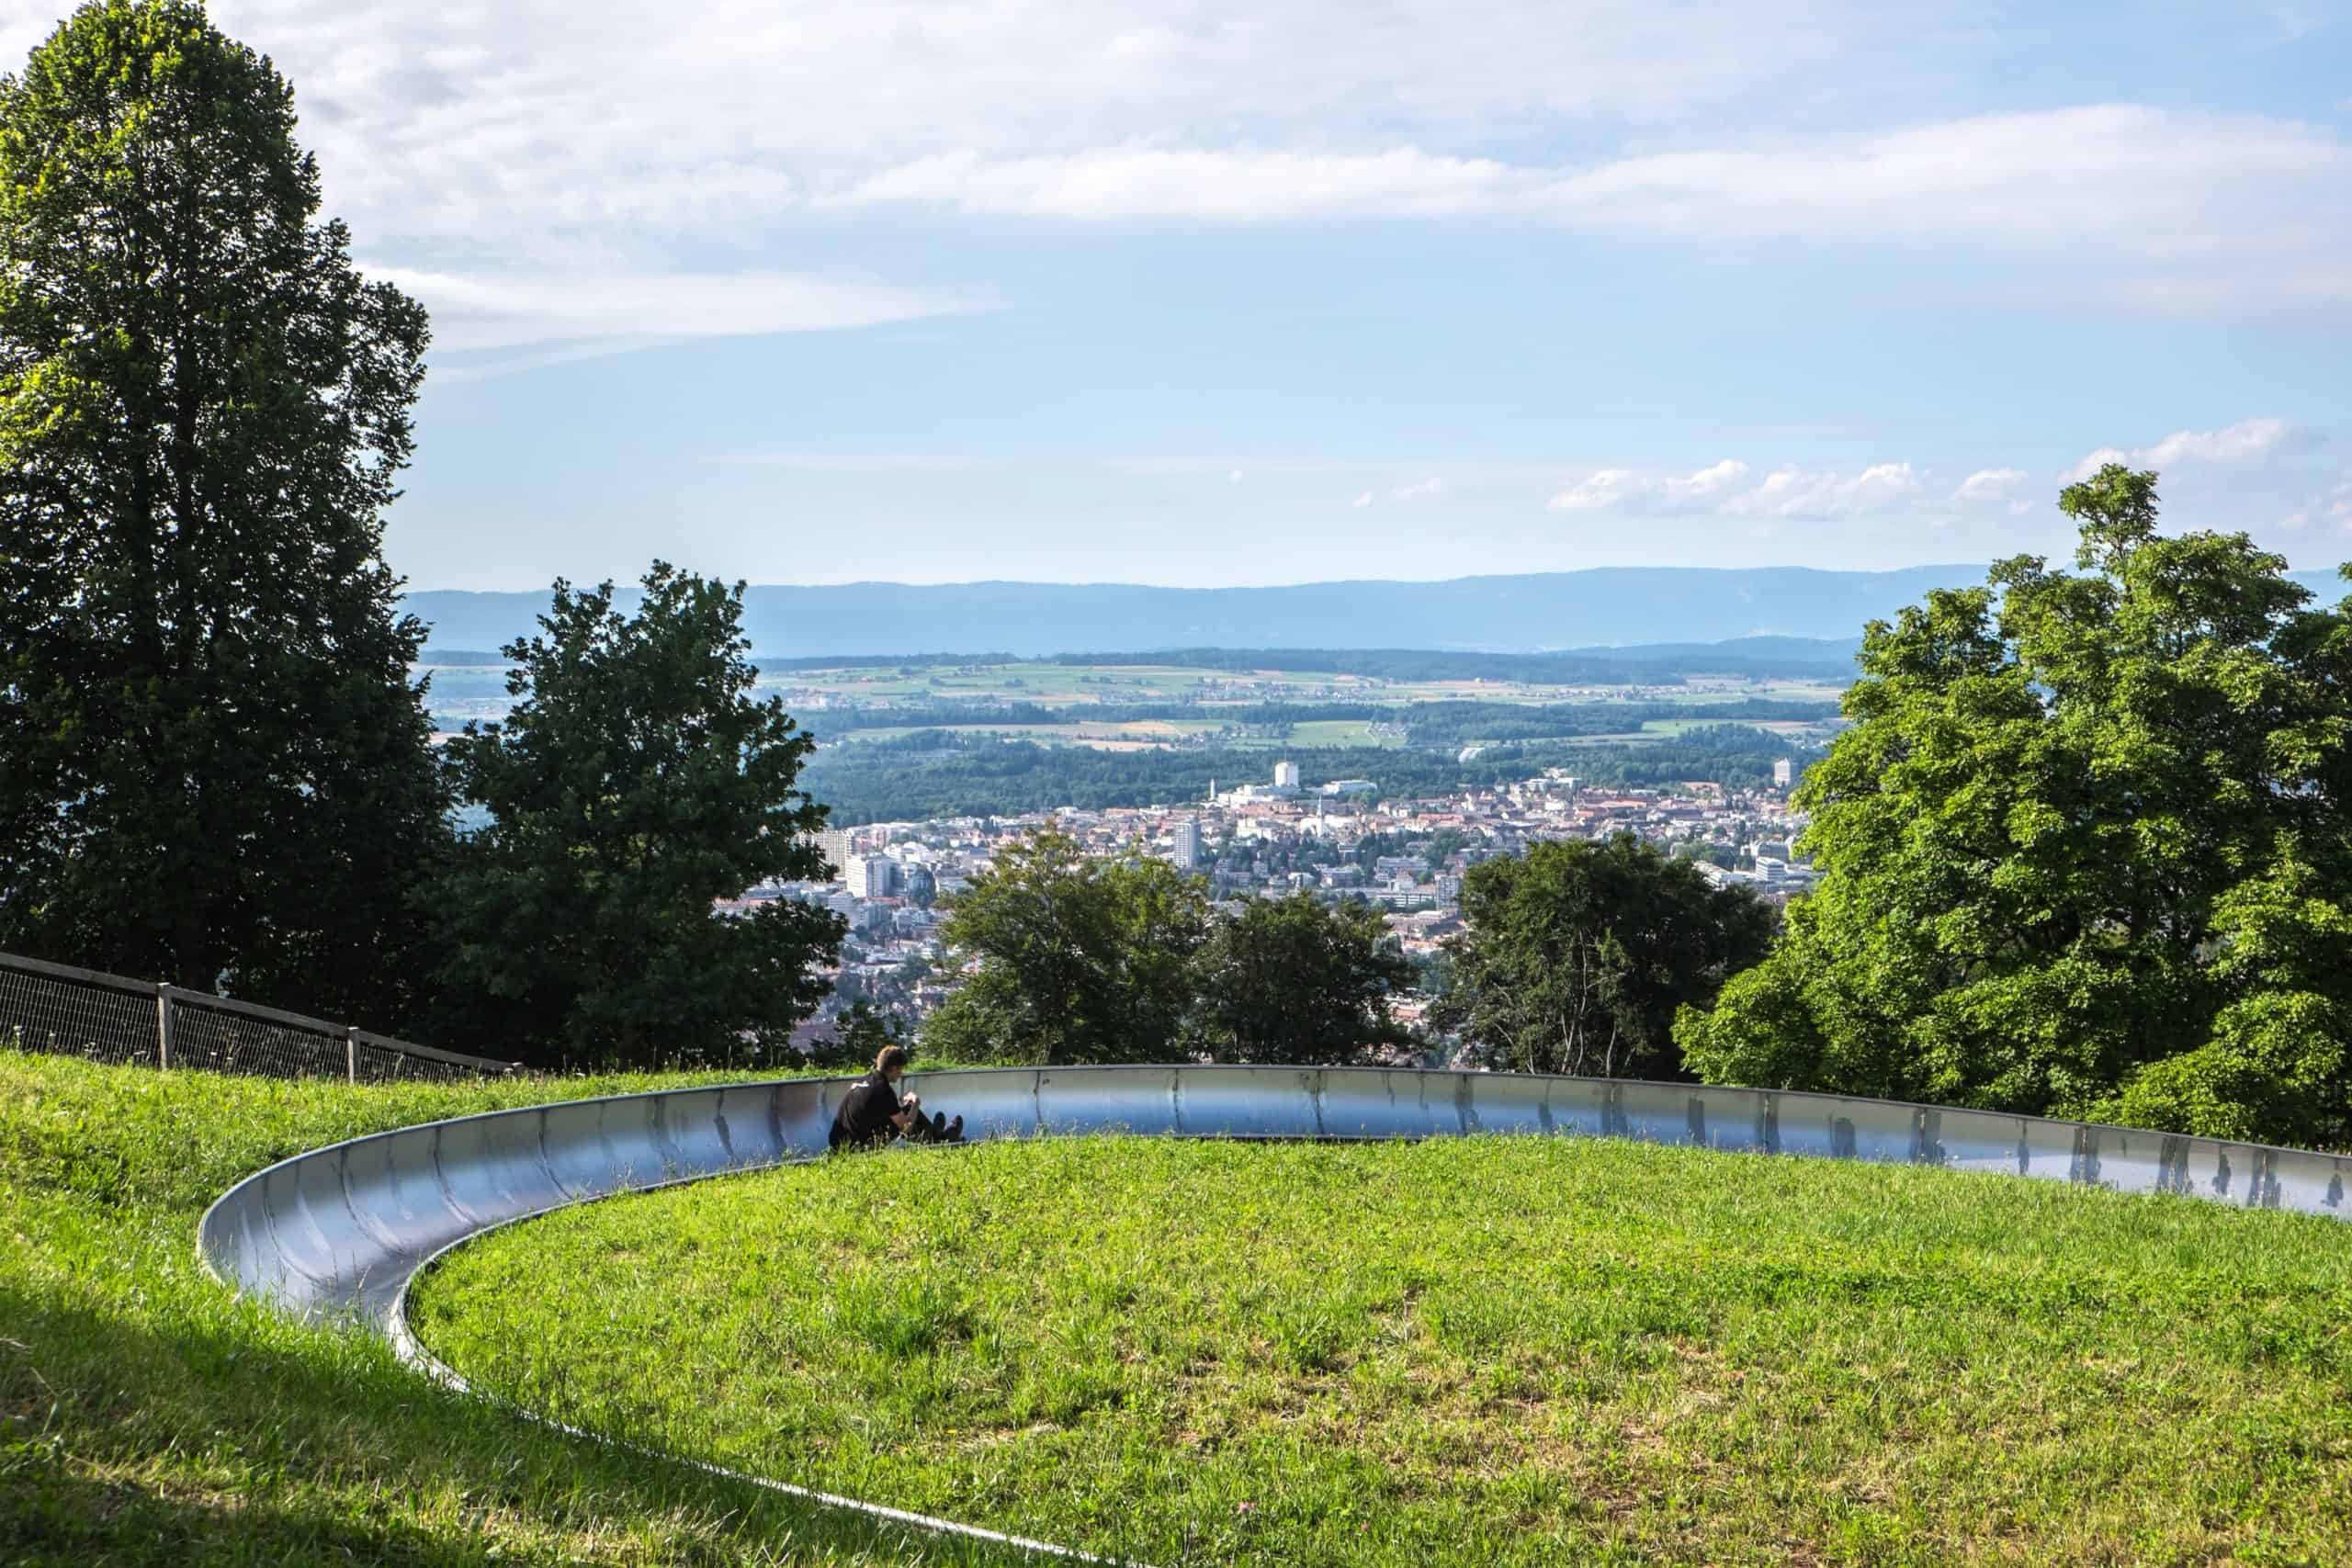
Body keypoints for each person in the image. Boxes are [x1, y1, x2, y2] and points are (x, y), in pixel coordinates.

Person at [828, 1043, 963, 1151]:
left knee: (904, 1112)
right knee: (909, 1111)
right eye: (900, 1069)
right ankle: (942, 1140)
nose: (900, 1074)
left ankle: (934, 1133)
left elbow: (872, 1105)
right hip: (859, 1148)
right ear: (893, 1068)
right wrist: (916, 1102)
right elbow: (906, 1128)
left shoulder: (865, 1080)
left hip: (838, 1143)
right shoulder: (883, 1089)